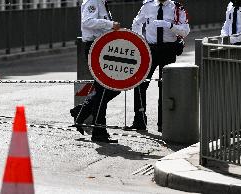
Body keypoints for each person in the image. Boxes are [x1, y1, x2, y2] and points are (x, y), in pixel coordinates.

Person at [128, 0, 190, 132]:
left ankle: (164, 123)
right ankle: (139, 120)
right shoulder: (148, 6)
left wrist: (169, 25)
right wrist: (139, 40)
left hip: (168, 50)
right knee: (140, 84)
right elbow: (137, 22)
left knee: (165, 87)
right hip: (150, 49)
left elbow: (185, 31)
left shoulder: (176, 8)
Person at [70, 0, 121, 143]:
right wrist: (110, 25)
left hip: (103, 47)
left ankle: (82, 112)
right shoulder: (93, 1)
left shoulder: (102, 2)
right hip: (96, 47)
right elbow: (87, 22)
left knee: (111, 88)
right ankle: (99, 132)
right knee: (104, 89)